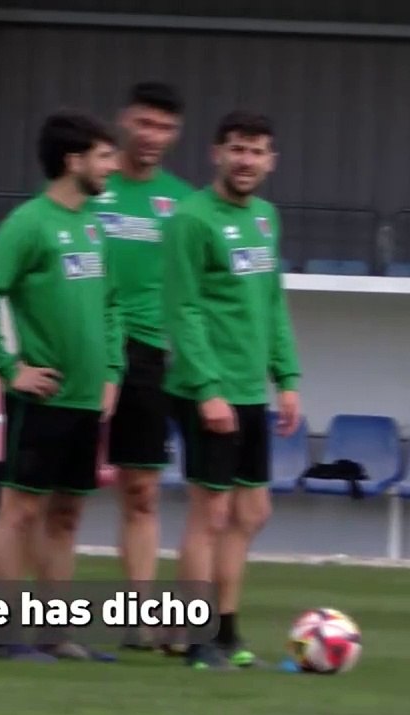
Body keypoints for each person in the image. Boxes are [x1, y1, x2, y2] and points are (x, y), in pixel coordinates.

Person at [0, 110, 123, 663]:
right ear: (73, 161)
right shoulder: (29, 223)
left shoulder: (96, 225)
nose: (113, 165)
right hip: (42, 397)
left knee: (67, 516)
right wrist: (11, 369)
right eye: (104, 156)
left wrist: (112, 374)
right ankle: (7, 636)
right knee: (19, 512)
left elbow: (110, 307)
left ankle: (55, 634)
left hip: (85, 400)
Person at [162, 111, 301, 670]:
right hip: (206, 389)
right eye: (238, 149)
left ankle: (228, 633)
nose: (247, 160)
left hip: (250, 391)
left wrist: (287, 379)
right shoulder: (191, 220)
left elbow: (271, 302)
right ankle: (196, 638)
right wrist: (208, 388)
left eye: (258, 151)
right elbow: (183, 308)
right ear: (217, 153)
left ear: (271, 161)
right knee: (210, 514)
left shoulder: (266, 218)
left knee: (252, 511)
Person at [93, 82, 194, 652]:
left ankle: (137, 615)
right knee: (48, 496)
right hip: (81, 348)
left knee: (142, 491)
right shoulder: (90, 187)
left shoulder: (181, 202)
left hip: (148, 354)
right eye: (145, 123)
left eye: (165, 127)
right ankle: (24, 620)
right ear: (125, 121)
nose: (152, 136)